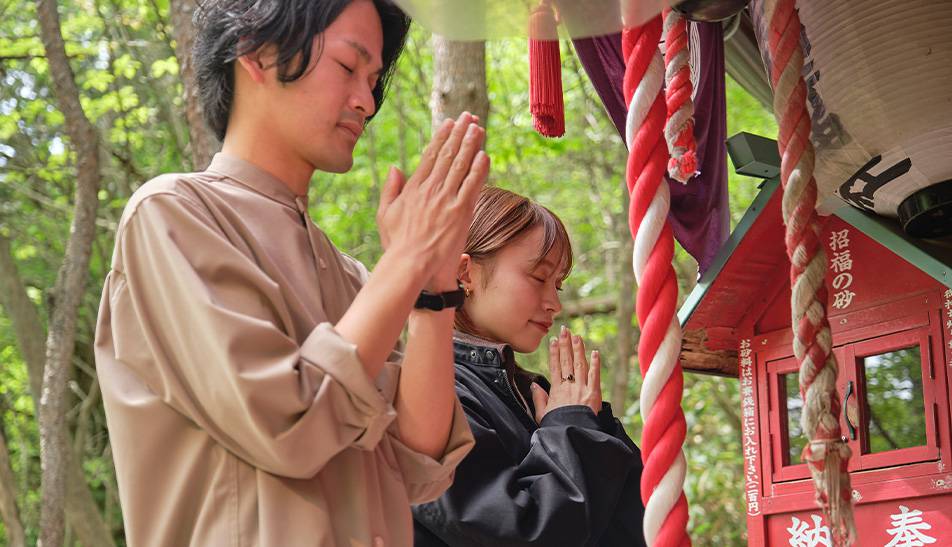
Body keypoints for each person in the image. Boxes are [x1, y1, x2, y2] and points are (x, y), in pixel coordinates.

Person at [93, 0, 486, 544]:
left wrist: (433, 292)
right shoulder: (171, 214)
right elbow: (288, 426)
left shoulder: (350, 275)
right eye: (349, 68)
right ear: (256, 53)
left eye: (373, 81)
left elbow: (420, 462)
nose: (366, 102)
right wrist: (407, 258)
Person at [412, 187, 647, 546]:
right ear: (466, 274)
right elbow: (521, 532)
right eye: (539, 278)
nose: (553, 303)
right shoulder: (431, 393)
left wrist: (590, 422)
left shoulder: (532, 394)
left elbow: (634, 522)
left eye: (559, 286)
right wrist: (574, 428)